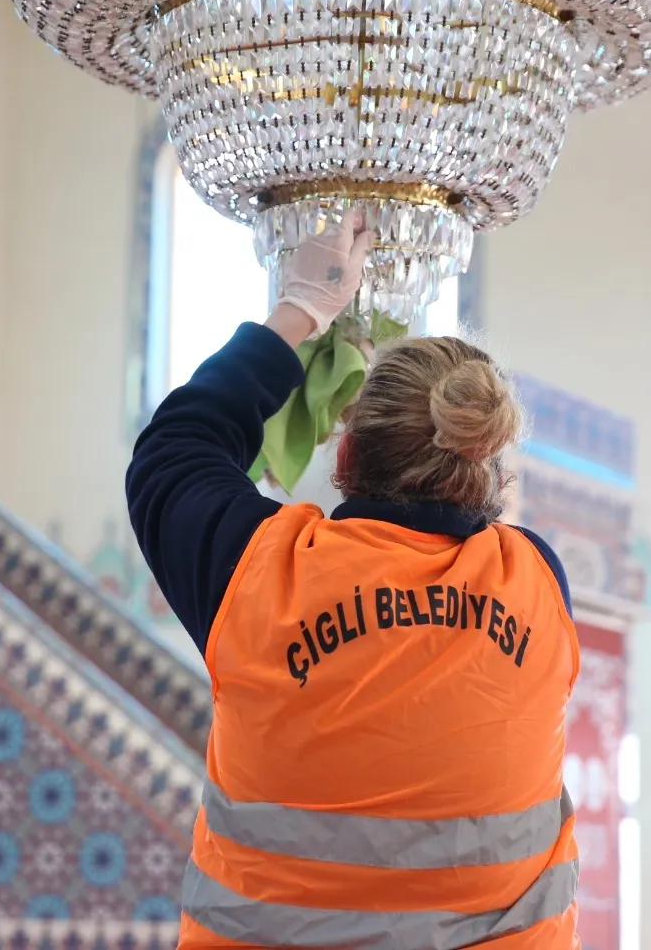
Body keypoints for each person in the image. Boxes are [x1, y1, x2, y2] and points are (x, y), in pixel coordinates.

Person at [127, 209, 581, 949]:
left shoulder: (260, 575)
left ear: (343, 459)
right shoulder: (536, 582)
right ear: (491, 468)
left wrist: (301, 309)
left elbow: (175, 449)